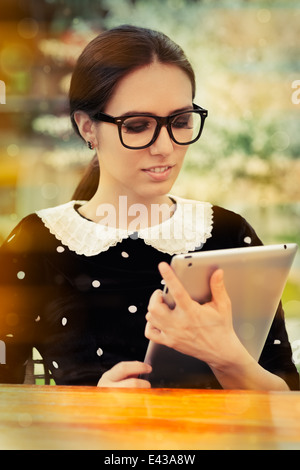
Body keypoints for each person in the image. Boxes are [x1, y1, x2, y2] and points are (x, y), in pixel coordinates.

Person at [0, 25, 298, 390]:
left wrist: (229, 359)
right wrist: (91, 408)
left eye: (180, 121)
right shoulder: (36, 242)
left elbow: (289, 396)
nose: (165, 147)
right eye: (138, 126)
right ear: (87, 128)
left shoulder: (227, 232)